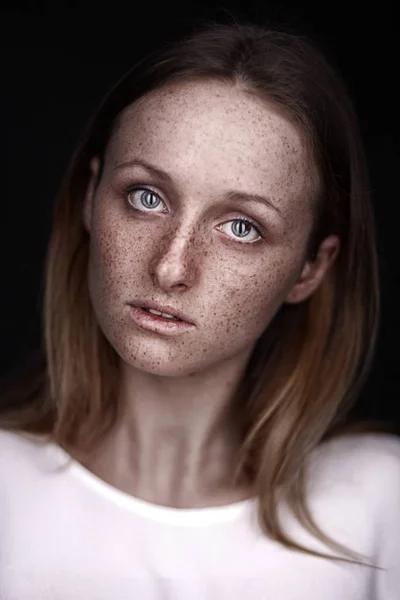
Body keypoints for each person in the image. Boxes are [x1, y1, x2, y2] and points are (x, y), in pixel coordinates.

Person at [0, 19, 399, 600]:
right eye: (147, 197)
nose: (170, 268)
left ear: (311, 267)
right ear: (91, 197)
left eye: (241, 227)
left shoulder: (381, 504)